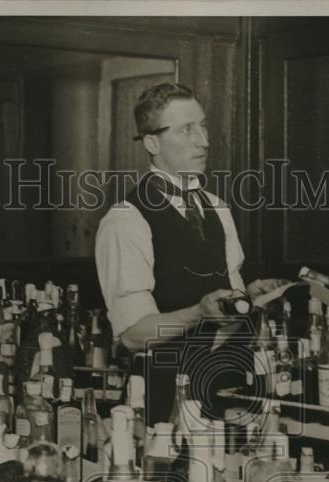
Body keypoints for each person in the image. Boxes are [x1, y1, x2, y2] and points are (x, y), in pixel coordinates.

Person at [95, 82, 283, 423]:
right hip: (163, 403)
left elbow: (227, 308)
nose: (204, 141)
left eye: (203, 126)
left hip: (224, 393)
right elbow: (134, 336)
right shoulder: (126, 221)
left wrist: (247, 299)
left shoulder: (218, 208)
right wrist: (198, 312)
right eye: (186, 130)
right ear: (152, 142)